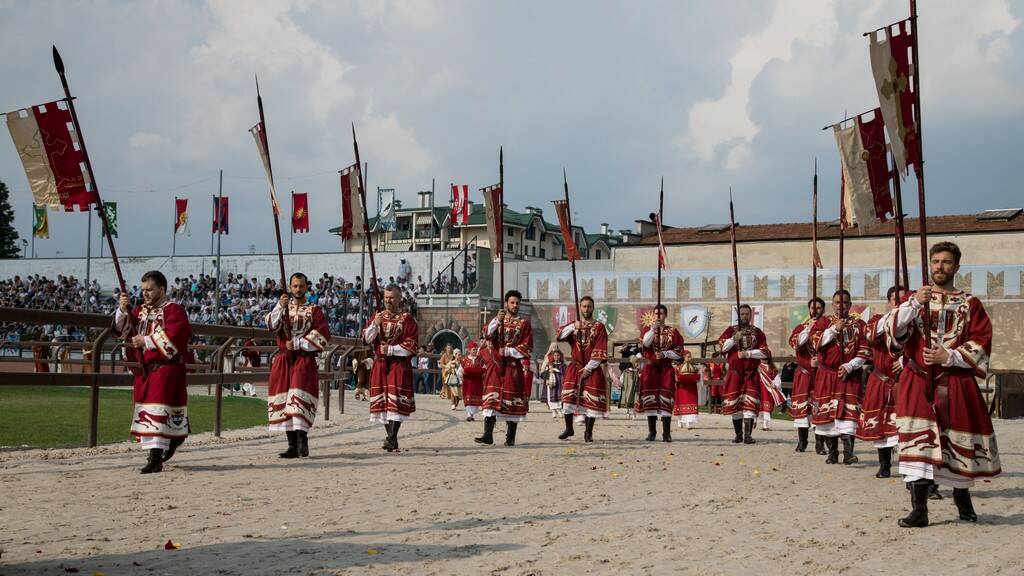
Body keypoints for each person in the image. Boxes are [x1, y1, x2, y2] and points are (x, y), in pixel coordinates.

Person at [887, 242, 1001, 528]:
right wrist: (913, 303)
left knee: (956, 439)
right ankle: (919, 509)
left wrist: (948, 355)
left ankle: (962, 497)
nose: (940, 266)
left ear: (956, 267)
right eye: (935, 261)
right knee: (918, 442)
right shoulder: (914, 300)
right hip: (917, 380)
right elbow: (893, 331)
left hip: (955, 380)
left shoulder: (970, 303)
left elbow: (982, 340)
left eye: (946, 262)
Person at [114, 270, 192, 474]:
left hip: (165, 369)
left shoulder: (174, 310)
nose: (145, 294)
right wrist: (122, 309)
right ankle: (168, 443)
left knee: (157, 410)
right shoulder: (139, 310)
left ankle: (155, 458)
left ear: (162, 289)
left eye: (149, 289)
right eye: (143, 290)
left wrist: (146, 341)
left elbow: (177, 337)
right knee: (148, 412)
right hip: (145, 371)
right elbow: (122, 329)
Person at [265, 273, 330, 459]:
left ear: (306, 287)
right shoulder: (283, 307)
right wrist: (279, 306)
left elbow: (323, 333)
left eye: (301, 286)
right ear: (290, 287)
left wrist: (299, 343)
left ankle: (303, 441)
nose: (298, 289)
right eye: (295, 286)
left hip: (304, 359)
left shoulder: (314, 310)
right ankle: (292, 444)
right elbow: (270, 324)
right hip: (284, 359)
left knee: (299, 398)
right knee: (285, 399)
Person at [810, 290, 868, 465]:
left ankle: (848, 452)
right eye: (836, 302)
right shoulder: (823, 322)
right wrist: (835, 329)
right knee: (829, 415)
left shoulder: (860, 324)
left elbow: (865, 349)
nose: (840, 305)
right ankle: (833, 453)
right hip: (827, 374)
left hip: (849, 374)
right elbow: (814, 342)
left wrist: (850, 365)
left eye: (844, 302)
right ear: (832, 304)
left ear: (849, 305)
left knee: (848, 414)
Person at [363, 284, 419, 452]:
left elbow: (413, 344)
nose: (388, 301)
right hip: (380, 364)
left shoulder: (407, 319)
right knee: (383, 403)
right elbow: (366, 338)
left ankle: (392, 437)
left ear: (399, 298)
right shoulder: (377, 316)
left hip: (398, 364)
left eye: (391, 297)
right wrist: (375, 324)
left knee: (396, 401)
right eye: (386, 297)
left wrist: (392, 349)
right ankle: (391, 438)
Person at [475, 290, 533, 447]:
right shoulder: (498, 320)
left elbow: (527, 347)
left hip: (512, 367)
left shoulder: (524, 324)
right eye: (512, 302)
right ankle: (488, 435)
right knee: (491, 399)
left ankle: (510, 437)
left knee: (512, 401)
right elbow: (486, 334)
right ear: (506, 303)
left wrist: (508, 351)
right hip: (496, 365)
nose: (515, 305)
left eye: (517, 303)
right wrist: (496, 321)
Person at [857, 286, 903, 478]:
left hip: (904, 381)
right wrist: (892, 316)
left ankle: (910, 470)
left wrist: (903, 361)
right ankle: (884, 465)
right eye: (895, 299)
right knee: (880, 426)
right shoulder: (877, 320)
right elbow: (870, 335)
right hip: (881, 379)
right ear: (889, 302)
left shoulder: (915, 322)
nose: (898, 303)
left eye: (902, 299)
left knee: (904, 425)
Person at [556, 296, 610, 442]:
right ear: (580, 308)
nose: (586, 309)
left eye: (589, 306)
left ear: (593, 308)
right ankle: (569, 428)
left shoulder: (599, 327)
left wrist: (589, 367)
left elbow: (600, 349)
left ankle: (588, 432)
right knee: (568, 398)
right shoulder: (574, 325)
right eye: (584, 306)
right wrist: (574, 327)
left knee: (590, 401)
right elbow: (559, 335)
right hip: (575, 366)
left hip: (592, 367)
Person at [718, 304, 771, 444]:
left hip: (751, 374)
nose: (745, 316)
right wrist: (734, 338)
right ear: (738, 315)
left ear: (751, 315)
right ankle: (738, 434)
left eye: (747, 314)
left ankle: (748, 435)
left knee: (750, 403)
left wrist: (748, 354)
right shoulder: (730, 330)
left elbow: (764, 352)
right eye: (742, 314)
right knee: (735, 404)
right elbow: (722, 347)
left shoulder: (758, 332)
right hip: (735, 373)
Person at [636, 305, 683, 442]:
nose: (658, 316)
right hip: (650, 369)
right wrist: (652, 329)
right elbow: (645, 343)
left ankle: (666, 433)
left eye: (661, 313)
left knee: (666, 400)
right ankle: (652, 432)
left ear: (665, 315)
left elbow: (679, 352)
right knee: (650, 399)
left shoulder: (673, 332)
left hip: (666, 369)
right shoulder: (647, 330)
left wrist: (665, 354)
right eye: (656, 313)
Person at [788, 297, 826, 453]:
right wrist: (808, 329)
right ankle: (802, 441)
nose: (815, 311)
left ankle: (819, 443)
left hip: (821, 374)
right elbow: (795, 344)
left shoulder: (828, 328)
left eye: (818, 308)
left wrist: (821, 362)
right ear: (808, 309)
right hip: (803, 374)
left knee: (819, 408)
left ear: (823, 309)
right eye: (812, 308)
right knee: (802, 409)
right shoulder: (800, 327)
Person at [672, 350, 701, 429]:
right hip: (682, 389)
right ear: (684, 357)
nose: (690, 358)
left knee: (691, 403)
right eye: (688, 356)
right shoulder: (678, 368)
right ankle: (680, 420)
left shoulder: (694, 367)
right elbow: (676, 378)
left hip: (691, 389)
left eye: (690, 356)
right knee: (681, 404)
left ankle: (688, 422)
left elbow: (697, 377)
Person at [459, 341, 486, 421]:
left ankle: (472, 414)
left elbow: (485, 369)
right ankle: (469, 414)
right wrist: (462, 373)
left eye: (476, 349)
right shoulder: (464, 360)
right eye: (473, 349)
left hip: (477, 382)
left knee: (476, 398)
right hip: (468, 382)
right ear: (469, 350)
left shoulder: (480, 360)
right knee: (468, 397)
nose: (475, 351)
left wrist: (482, 373)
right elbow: (459, 371)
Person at [539, 345, 566, 418]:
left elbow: (566, 373)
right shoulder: (549, 363)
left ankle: (559, 410)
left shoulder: (563, 365)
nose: (556, 357)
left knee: (560, 396)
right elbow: (542, 372)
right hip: (552, 383)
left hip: (560, 383)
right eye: (555, 355)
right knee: (551, 396)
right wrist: (548, 371)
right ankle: (553, 411)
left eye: (558, 355)